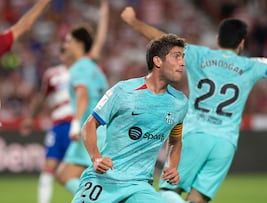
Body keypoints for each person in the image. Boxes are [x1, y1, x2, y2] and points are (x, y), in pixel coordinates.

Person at [121, 6, 267, 203]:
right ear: (241, 44)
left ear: (218, 39)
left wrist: (134, 22)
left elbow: (163, 42)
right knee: (198, 198)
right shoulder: (250, 65)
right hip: (225, 143)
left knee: (169, 191)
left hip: (195, 135)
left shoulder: (199, 55)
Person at [71, 34, 188, 203]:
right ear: (158, 61)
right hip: (105, 180)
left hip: (139, 186)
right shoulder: (123, 91)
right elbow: (89, 124)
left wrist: (173, 166)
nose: (182, 62)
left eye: (183, 57)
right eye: (177, 56)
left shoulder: (180, 102)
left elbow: (175, 139)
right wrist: (96, 157)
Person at [55, 0, 109, 195]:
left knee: (65, 174)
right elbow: (99, 41)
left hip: (90, 129)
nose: (65, 45)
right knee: (70, 174)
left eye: (68, 41)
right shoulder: (92, 63)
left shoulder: (78, 67)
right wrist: (104, 13)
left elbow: (82, 95)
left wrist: (76, 124)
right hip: (103, 128)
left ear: (78, 44)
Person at [19, 46, 73, 203]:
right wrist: (31, 118)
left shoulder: (84, 70)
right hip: (58, 125)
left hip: (78, 124)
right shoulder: (52, 74)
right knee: (49, 167)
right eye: (62, 52)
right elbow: (42, 97)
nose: (65, 55)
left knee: (81, 170)